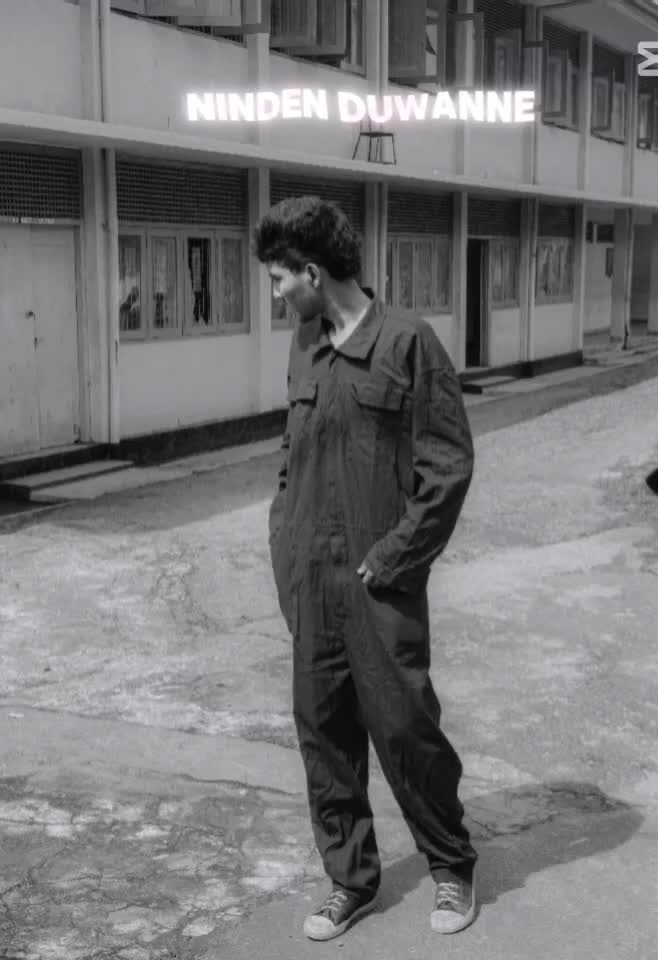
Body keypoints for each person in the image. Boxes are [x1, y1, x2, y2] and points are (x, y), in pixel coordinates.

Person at [252, 195, 478, 941]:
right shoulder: (304, 343)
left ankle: (451, 865)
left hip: (379, 583)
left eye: (280, 278)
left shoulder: (409, 343)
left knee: (407, 730)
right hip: (312, 583)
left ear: (313, 273)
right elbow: (292, 456)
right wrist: (285, 546)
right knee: (323, 738)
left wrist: (392, 558)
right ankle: (350, 880)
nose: (277, 292)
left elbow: (447, 470)